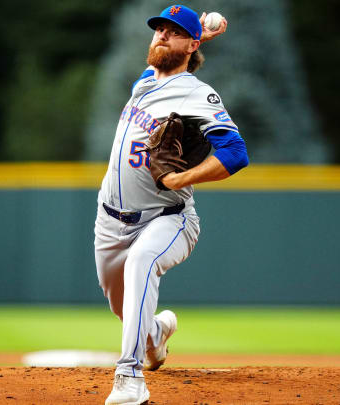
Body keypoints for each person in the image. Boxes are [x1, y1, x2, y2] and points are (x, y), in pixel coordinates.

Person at [94, 4, 248, 404]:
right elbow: (164, 65)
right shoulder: (144, 83)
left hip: (168, 218)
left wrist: (181, 178)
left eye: (173, 31)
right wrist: (195, 41)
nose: (162, 34)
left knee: (141, 263)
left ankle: (129, 379)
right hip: (110, 221)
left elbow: (234, 152)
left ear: (191, 43)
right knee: (124, 305)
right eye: (159, 29)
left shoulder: (199, 94)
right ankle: (155, 336)